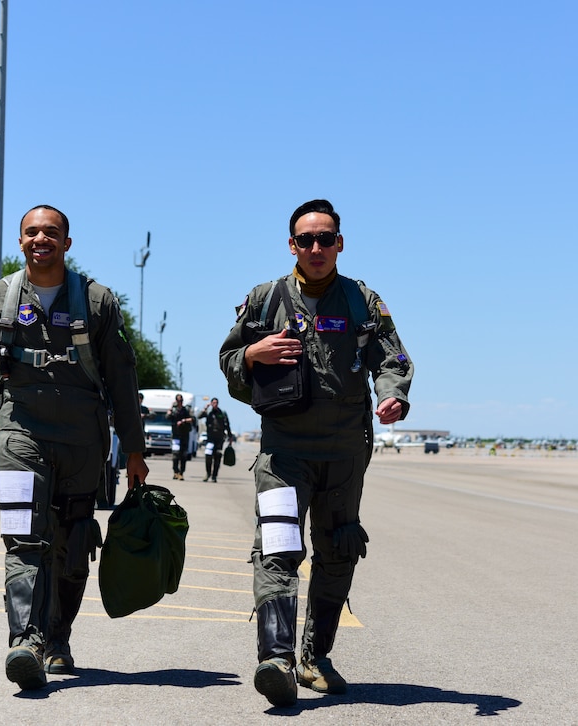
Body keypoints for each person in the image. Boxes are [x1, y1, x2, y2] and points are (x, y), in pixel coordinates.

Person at [0, 204, 149, 691]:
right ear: (20, 242)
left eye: (51, 232)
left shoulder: (98, 302)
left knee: (73, 545)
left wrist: (134, 449)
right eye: (32, 232)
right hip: (20, 434)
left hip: (82, 440)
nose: (41, 239)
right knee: (23, 537)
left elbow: (122, 378)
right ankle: (26, 642)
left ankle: (58, 637)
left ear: (67, 243)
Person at [219, 199, 413, 707]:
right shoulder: (265, 299)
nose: (316, 248)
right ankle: (277, 659)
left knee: (338, 550)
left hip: (345, 452)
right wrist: (252, 356)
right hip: (285, 452)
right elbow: (228, 359)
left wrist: (394, 393)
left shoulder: (362, 301)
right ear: (292, 245)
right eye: (306, 240)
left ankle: (314, 655)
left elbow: (391, 357)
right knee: (279, 548)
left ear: (340, 244)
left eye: (326, 239)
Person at [198, 396, 232, 481]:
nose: (215, 404)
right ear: (211, 403)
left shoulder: (222, 413)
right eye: (213, 403)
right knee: (208, 456)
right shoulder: (208, 412)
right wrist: (205, 408)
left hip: (219, 439)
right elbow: (199, 416)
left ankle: (214, 476)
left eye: (216, 403)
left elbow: (227, 425)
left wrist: (230, 436)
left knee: (217, 457)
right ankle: (208, 473)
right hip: (210, 439)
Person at [167, 394, 193, 480]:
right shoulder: (173, 410)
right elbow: (167, 417)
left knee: (183, 455)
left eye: (181, 400)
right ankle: (175, 472)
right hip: (176, 436)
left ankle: (181, 473)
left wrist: (183, 420)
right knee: (175, 455)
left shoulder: (186, 410)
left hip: (184, 436)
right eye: (178, 400)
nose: (180, 402)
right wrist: (171, 407)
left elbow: (192, 419)